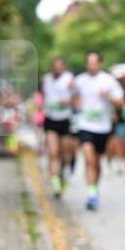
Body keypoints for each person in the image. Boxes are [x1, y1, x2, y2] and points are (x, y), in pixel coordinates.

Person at [72, 51, 125, 211]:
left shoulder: (108, 81)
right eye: (89, 62)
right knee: (88, 159)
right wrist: (77, 105)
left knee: (96, 162)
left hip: (103, 127)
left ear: (100, 63)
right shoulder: (79, 80)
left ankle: (95, 187)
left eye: (94, 62)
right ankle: (91, 194)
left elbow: (121, 103)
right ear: (85, 64)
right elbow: (73, 97)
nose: (92, 65)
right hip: (85, 125)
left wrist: (108, 97)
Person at [42, 57, 76, 197]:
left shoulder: (70, 79)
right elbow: (42, 96)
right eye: (54, 66)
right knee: (52, 152)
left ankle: (62, 173)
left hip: (66, 119)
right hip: (50, 119)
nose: (57, 68)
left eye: (59, 66)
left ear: (63, 67)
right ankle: (55, 184)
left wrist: (68, 101)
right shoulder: (46, 79)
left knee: (64, 155)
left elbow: (78, 98)